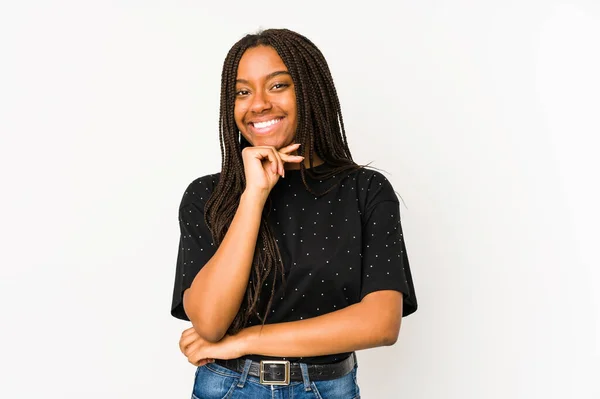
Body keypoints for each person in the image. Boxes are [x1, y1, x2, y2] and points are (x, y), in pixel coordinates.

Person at [170, 28, 417, 399]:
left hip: (327, 389)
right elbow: (208, 321)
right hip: (227, 389)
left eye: (277, 85)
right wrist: (254, 195)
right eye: (242, 91)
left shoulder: (365, 191)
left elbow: (381, 323)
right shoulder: (206, 196)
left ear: (309, 92)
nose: (258, 104)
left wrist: (247, 340)